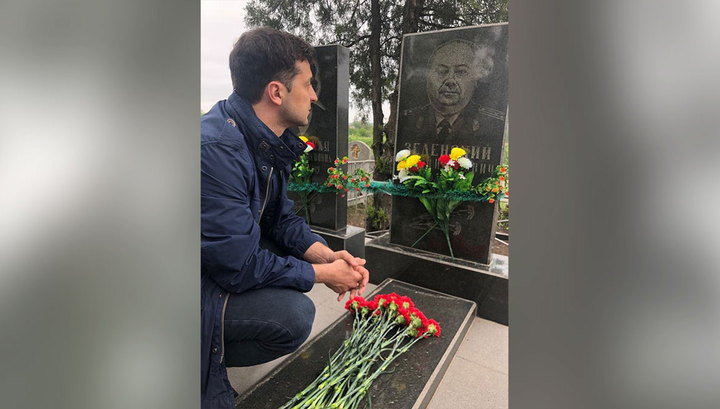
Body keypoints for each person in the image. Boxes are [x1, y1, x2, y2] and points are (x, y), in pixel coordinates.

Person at [201, 27, 370, 409]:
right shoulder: (217, 150)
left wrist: (327, 256)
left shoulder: (263, 140)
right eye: (307, 84)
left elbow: (279, 219)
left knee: (293, 272)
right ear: (276, 92)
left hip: (211, 264)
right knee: (293, 316)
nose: (314, 95)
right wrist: (323, 275)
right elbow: (240, 266)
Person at [401, 39, 505, 150]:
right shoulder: (407, 120)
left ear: (475, 79)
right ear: (428, 77)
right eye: (442, 71)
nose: (450, 80)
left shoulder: (492, 123)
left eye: (461, 72)